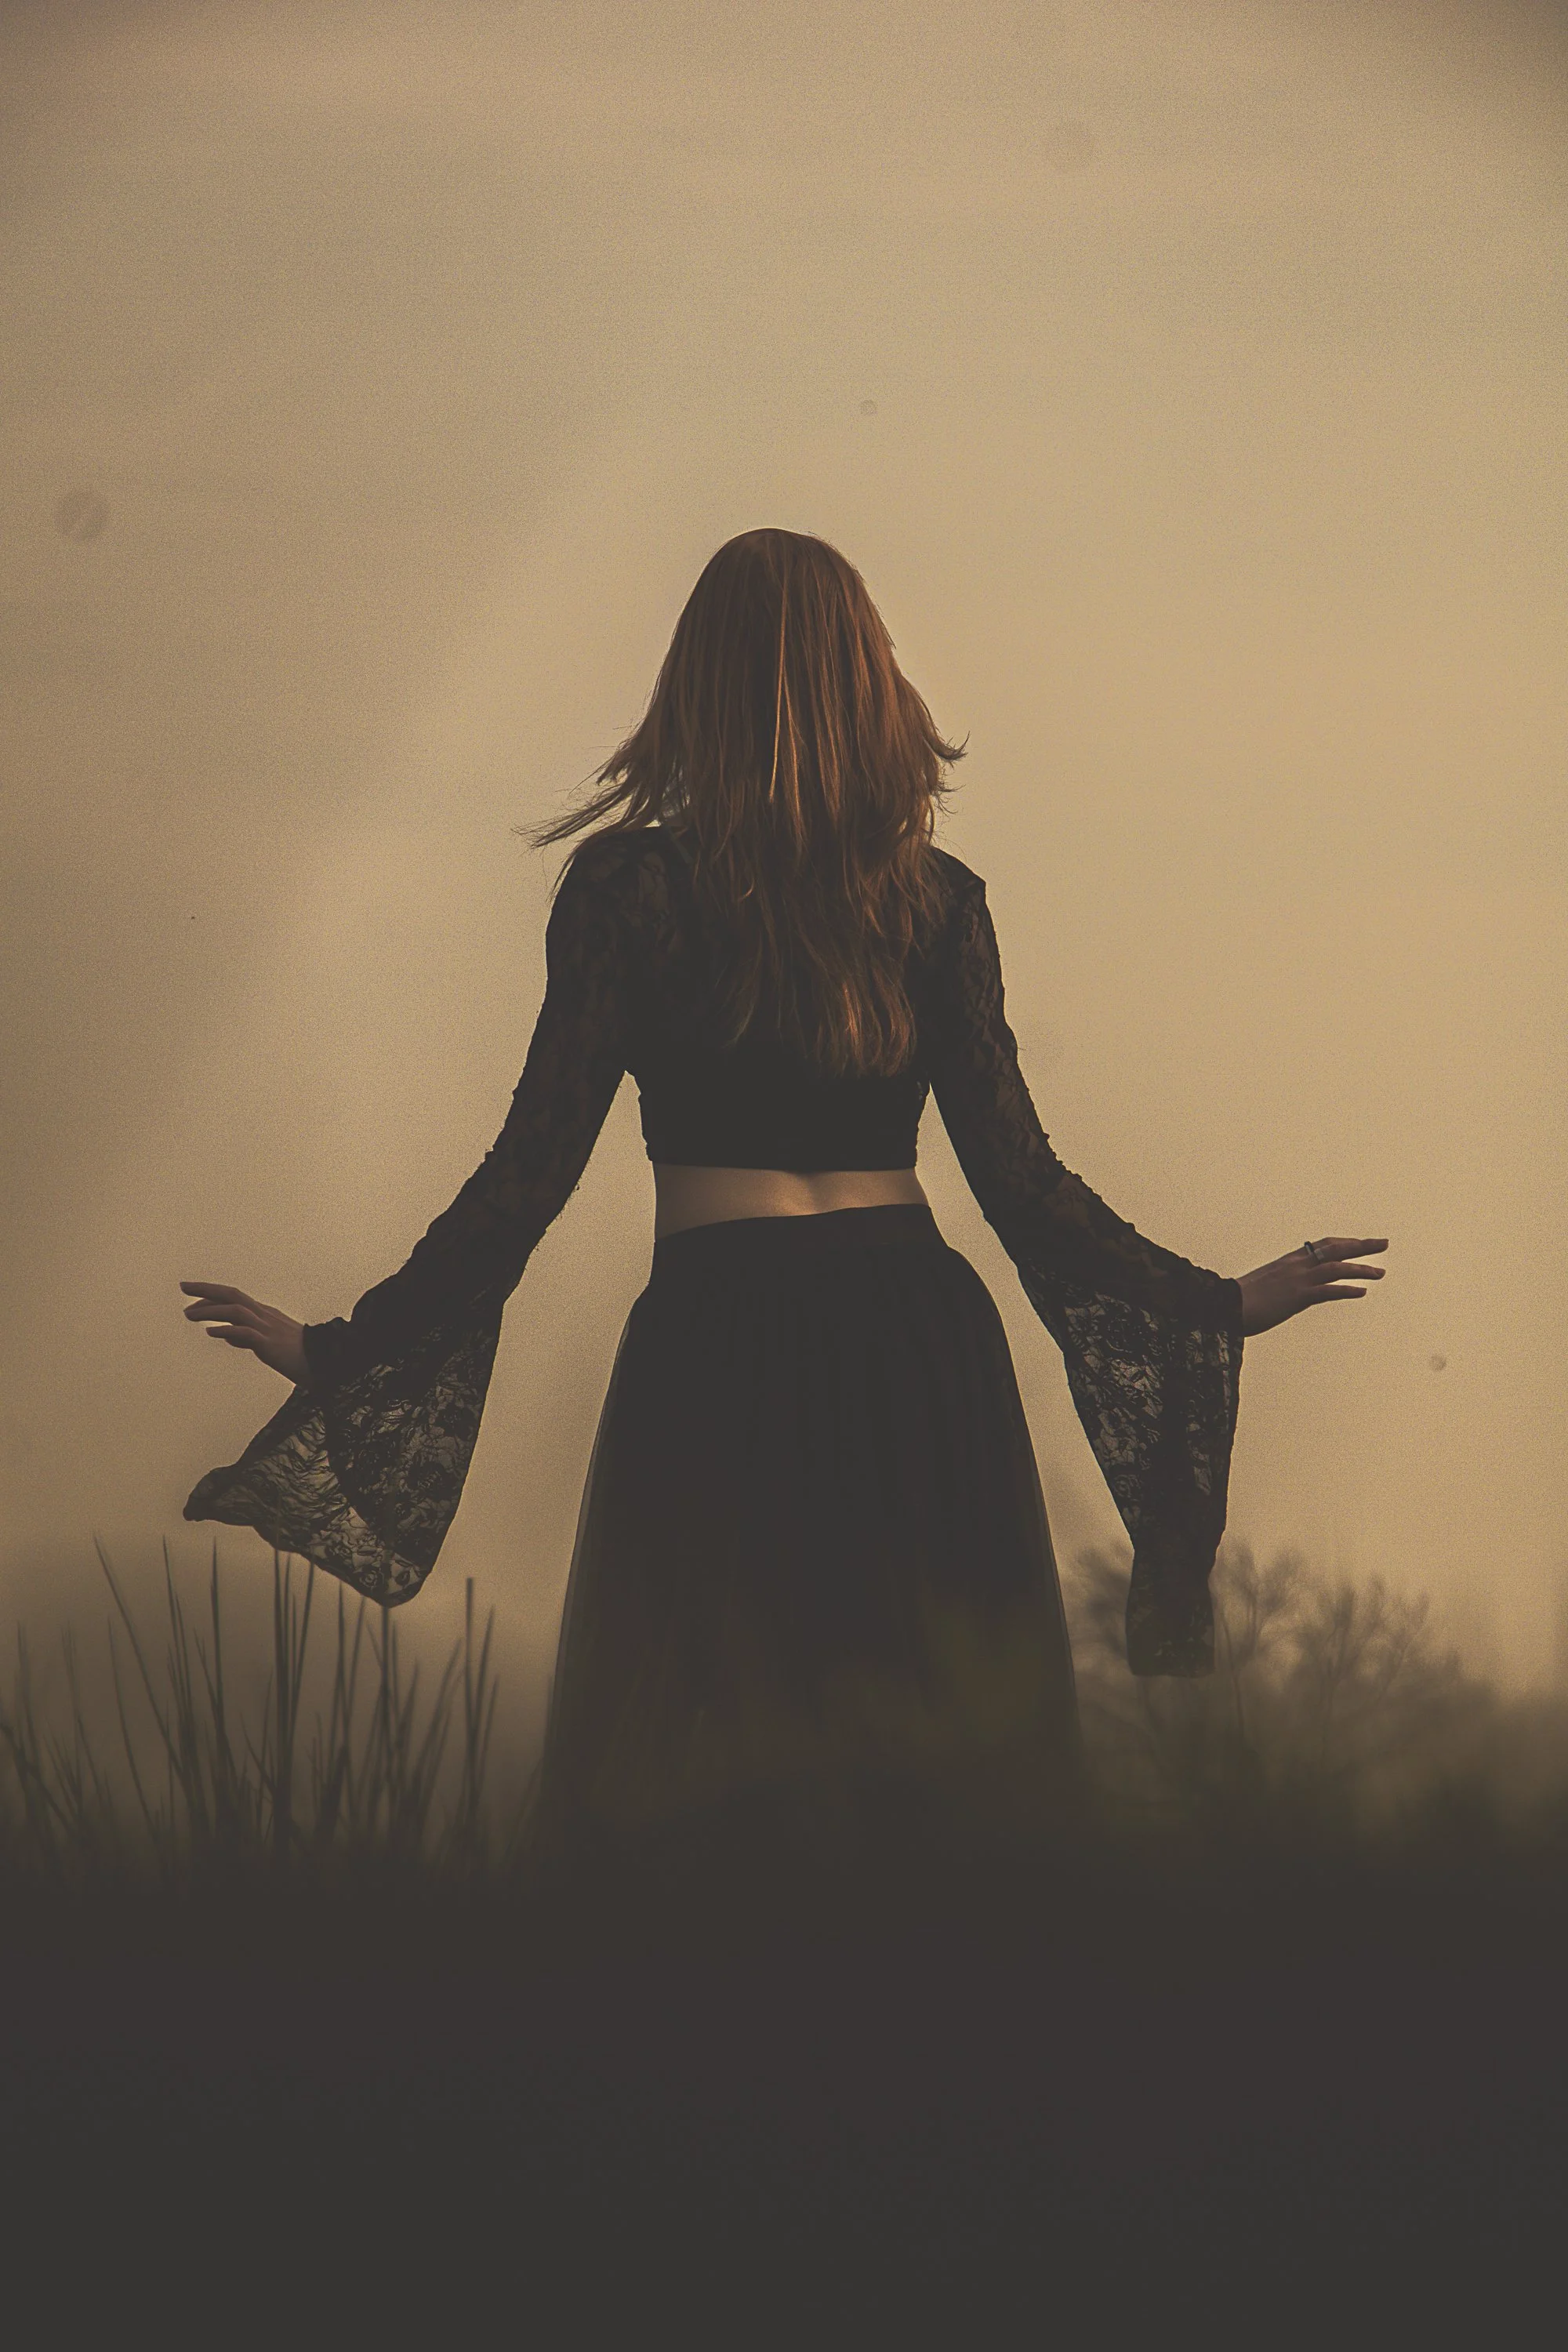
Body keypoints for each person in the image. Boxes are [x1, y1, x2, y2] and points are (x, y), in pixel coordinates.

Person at [181, 528, 1386, 1849]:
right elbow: (1025, 1188)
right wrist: (1213, 1305)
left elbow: (527, 1178)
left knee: (704, 1779)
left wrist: (345, 1353)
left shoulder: (632, 891)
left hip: (723, 1342)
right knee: (932, 1788)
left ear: (697, 687)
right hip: (921, 1350)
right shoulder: (932, 903)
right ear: (869, 681)